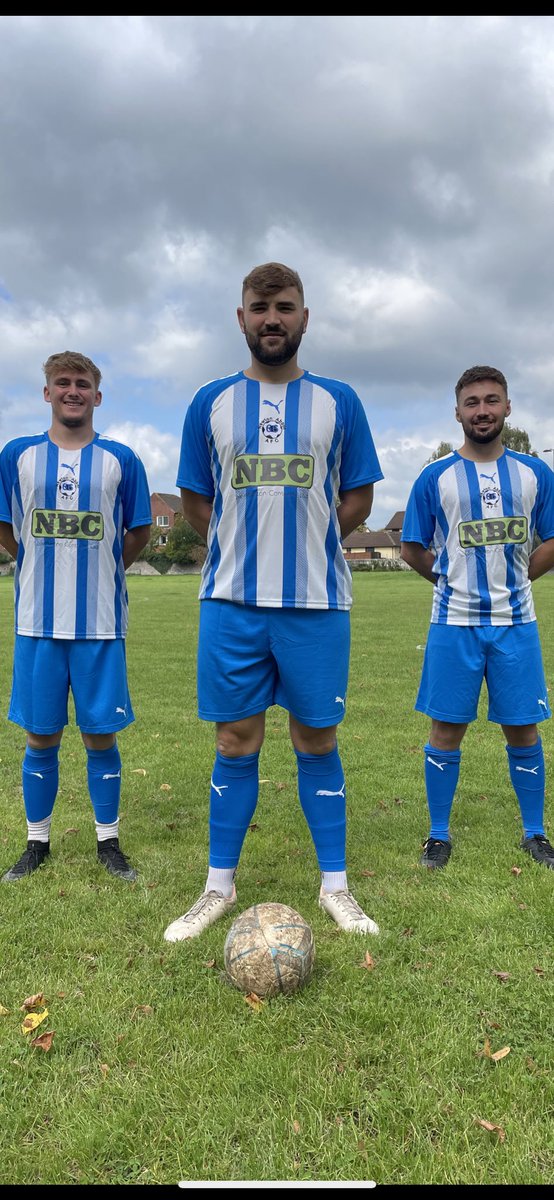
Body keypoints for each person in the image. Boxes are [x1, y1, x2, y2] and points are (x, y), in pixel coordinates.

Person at [163, 262, 384, 942]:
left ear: (305, 317)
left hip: (315, 603)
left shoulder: (339, 401)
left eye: (285, 307)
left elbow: (359, 498)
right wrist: (238, 543)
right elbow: (197, 500)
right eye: (260, 307)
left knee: (316, 737)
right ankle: (217, 888)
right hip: (231, 601)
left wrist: (311, 539)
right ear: (241, 318)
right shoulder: (210, 402)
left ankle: (337, 888)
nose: (272, 318)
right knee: (235, 740)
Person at [0, 351, 152, 882]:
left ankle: (108, 842)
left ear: (97, 396)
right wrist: (35, 563)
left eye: (82, 384)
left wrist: (103, 571)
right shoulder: (16, 455)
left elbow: (137, 532)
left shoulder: (121, 459)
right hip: (38, 625)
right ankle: (36, 842)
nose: (72, 391)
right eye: (62, 383)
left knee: (100, 736)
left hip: (100, 625)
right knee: (40, 737)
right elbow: (7, 525)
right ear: (46, 393)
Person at [401, 365, 554, 870]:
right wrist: (449, 581)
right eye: (472, 402)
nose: (482, 410)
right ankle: (438, 835)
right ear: (458, 412)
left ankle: (534, 834)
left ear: (507, 406)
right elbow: (412, 546)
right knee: (446, 729)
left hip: (516, 624)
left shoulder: (535, 473)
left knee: (523, 729)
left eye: (491, 400)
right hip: (453, 625)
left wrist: (519, 579)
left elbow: (550, 537)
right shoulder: (435, 476)